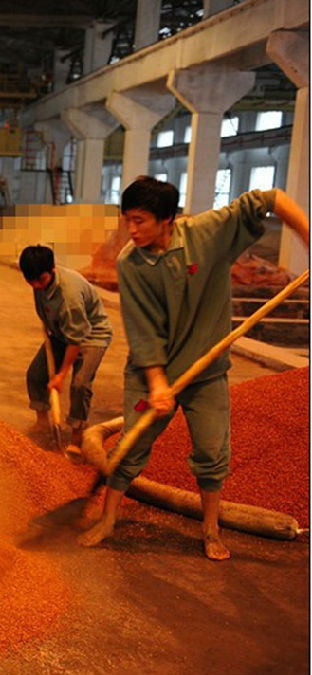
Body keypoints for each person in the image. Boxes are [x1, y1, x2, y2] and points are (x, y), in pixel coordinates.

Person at [79, 176, 310, 560]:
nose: (131, 230)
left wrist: (307, 235)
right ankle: (107, 520)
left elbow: (270, 198)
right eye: (127, 220)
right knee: (130, 446)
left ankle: (211, 530)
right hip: (149, 372)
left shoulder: (208, 234)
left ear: (166, 218)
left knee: (212, 451)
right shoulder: (131, 263)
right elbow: (143, 329)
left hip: (206, 370)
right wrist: (156, 383)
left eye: (140, 221)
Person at [19, 245, 113, 447]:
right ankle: (42, 422)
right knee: (35, 374)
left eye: (40, 280)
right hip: (61, 331)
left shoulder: (69, 296)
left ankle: (78, 432)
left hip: (91, 335)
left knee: (79, 384)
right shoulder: (39, 281)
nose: (35, 285)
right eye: (30, 281)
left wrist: (61, 375)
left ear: (52, 269)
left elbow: (75, 339)